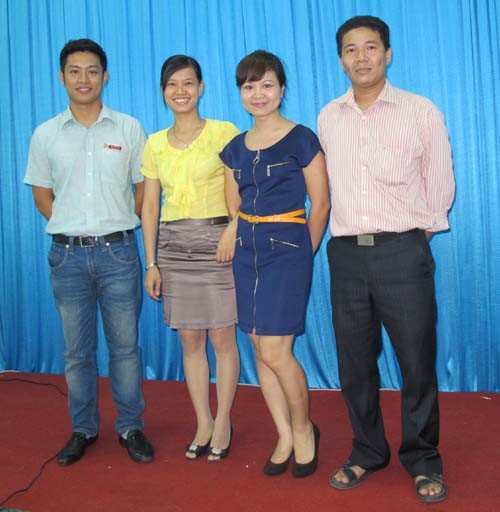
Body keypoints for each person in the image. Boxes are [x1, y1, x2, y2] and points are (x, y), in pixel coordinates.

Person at [318, 16, 455, 502]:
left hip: (402, 252)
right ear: (341, 60)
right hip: (346, 256)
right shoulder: (329, 116)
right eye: (351, 49)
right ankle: (368, 450)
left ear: (388, 53)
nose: (361, 57)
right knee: (355, 364)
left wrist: (412, 237)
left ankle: (422, 458)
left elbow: (440, 185)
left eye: (371, 47)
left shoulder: (420, 111)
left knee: (416, 362)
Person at [24, 39, 154, 465]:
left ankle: (131, 426)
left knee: (125, 348)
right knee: (77, 353)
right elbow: (42, 195)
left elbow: (142, 189)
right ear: (62, 77)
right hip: (67, 258)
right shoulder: (45, 134)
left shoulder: (128, 128)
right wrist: (74, 226)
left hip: (119, 253)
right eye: (75, 71)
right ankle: (83, 428)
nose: (84, 79)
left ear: (105, 76)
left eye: (92, 70)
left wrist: (117, 221)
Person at [217, 50, 330, 477]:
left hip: (288, 251)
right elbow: (235, 206)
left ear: (282, 89)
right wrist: (234, 228)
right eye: (250, 86)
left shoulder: (302, 139)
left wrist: (304, 253)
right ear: (240, 93)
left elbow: (321, 204)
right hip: (247, 254)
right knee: (257, 346)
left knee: (276, 350)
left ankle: (304, 429)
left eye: (267, 84)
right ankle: (283, 433)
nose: (258, 93)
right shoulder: (234, 149)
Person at [141, 55, 240, 462]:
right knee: (190, 339)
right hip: (173, 247)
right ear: (163, 92)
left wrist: (234, 229)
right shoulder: (154, 143)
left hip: (218, 243)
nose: (180, 91)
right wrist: (151, 262)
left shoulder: (223, 133)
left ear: (201, 88)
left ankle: (224, 420)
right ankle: (203, 420)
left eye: (187, 83)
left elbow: (241, 190)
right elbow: (150, 206)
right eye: (172, 84)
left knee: (222, 337)